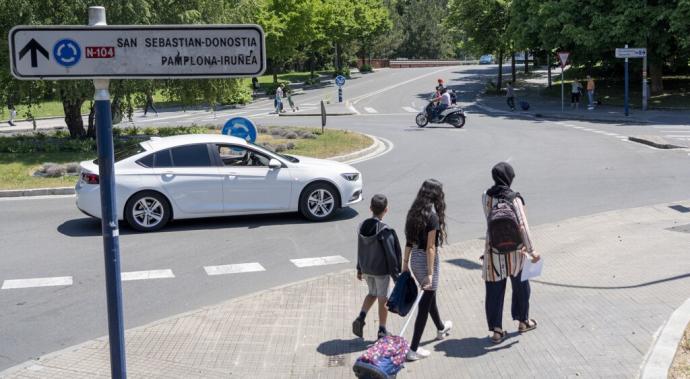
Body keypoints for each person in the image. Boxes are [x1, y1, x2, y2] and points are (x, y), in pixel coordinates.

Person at [481, 162, 541, 344]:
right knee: (521, 287)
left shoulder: (486, 197)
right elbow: (522, 226)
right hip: (516, 252)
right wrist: (532, 250)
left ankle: (497, 331)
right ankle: (523, 321)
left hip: (494, 251)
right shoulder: (515, 198)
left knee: (494, 292)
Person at [403, 179, 453, 361]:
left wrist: (405, 264)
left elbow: (409, 240)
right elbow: (431, 247)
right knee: (424, 304)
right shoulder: (432, 216)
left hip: (415, 260)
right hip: (426, 262)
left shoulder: (414, 212)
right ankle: (413, 349)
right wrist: (431, 274)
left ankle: (441, 327)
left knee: (428, 296)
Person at [352, 194, 402, 340]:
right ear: (386, 210)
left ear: (370, 209)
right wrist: (396, 277)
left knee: (372, 293)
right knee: (382, 298)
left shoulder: (362, 226)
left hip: (366, 268)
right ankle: (382, 330)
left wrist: (359, 268)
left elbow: (360, 248)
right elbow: (391, 255)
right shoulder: (384, 230)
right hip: (381, 271)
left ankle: (361, 317)